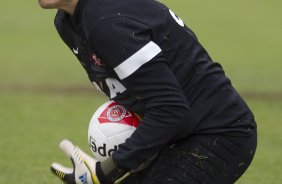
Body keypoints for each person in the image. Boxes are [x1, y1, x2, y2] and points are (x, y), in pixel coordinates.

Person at [38, 0, 257, 183]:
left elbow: (170, 108)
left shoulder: (105, 21)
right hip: (174, 133)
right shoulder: (66, 22)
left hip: (219, 134)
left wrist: (106, 170)